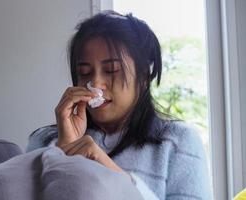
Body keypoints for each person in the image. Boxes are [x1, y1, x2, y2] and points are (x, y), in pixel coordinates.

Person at [26, 10, 212, 199]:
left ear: (143, 77)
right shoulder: (43, 141)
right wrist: (62, 154)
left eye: (111, 70)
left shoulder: (178, 142)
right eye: (84, 73)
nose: (95, 84)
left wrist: (110, 173)